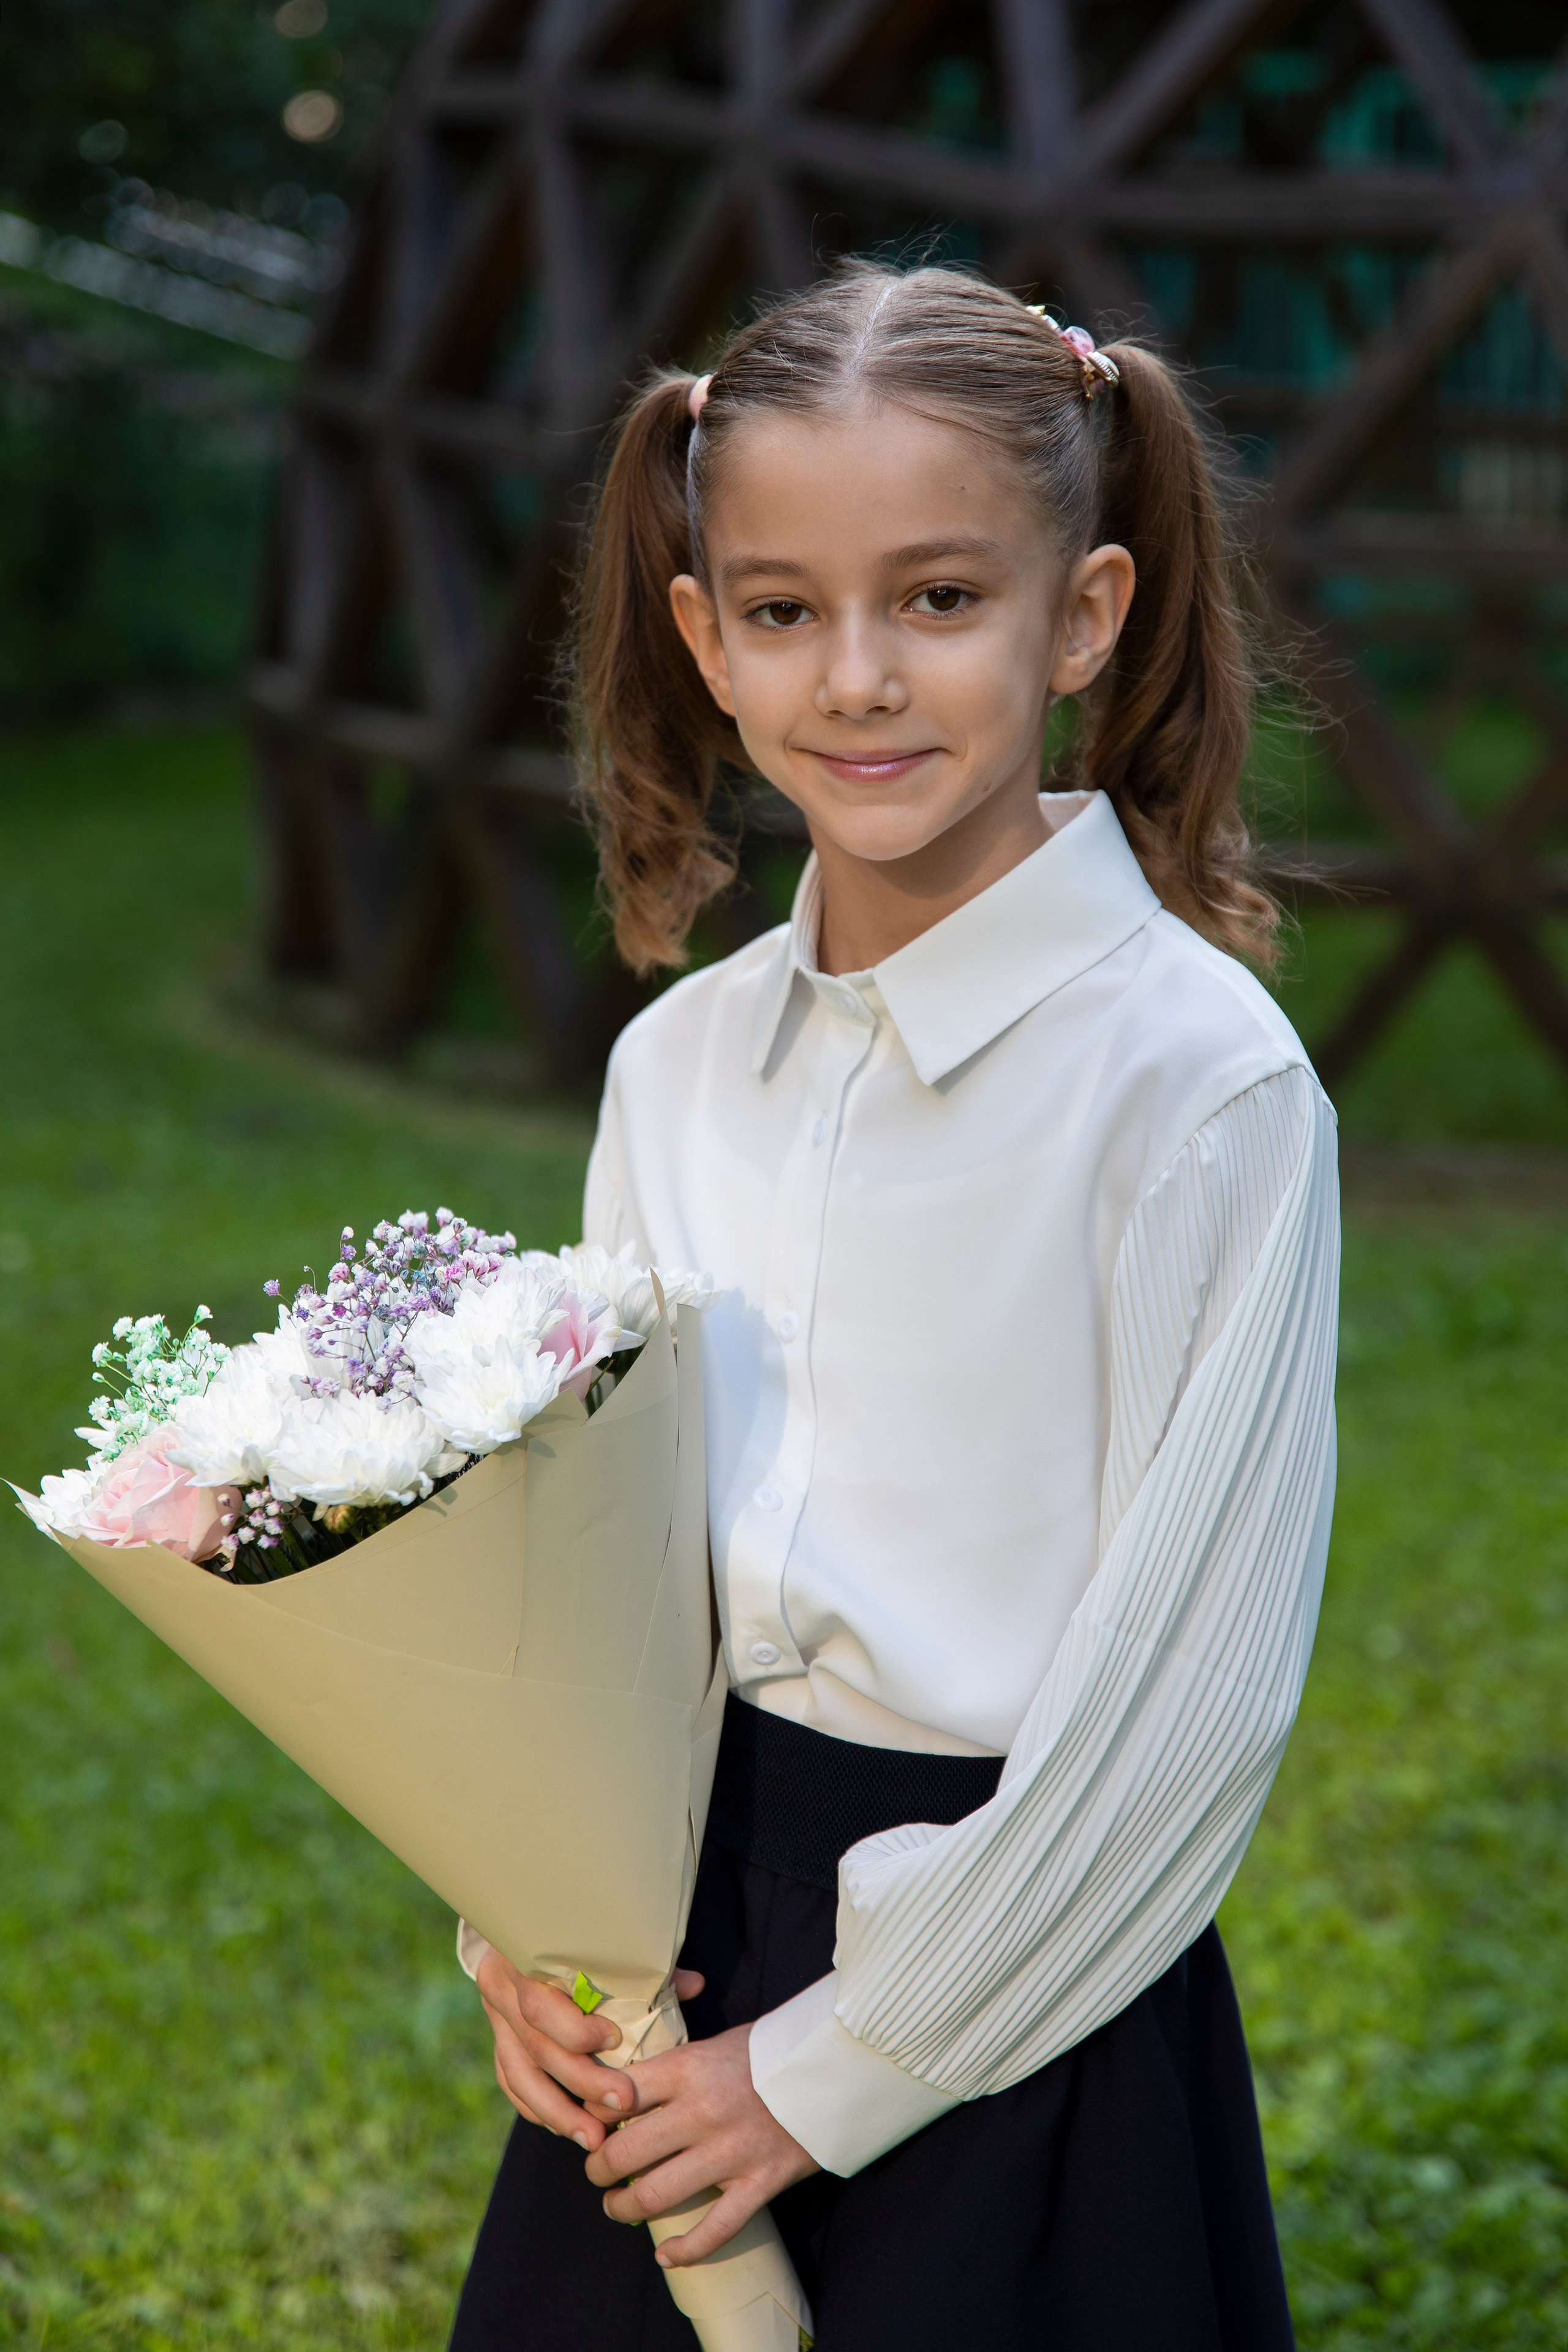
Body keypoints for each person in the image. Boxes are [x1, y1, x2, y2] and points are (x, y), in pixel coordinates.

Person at [449, 260, 1338, 2351]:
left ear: (1084, 616)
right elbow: (604, 1562)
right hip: (663, 1983)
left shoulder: (1196, 1087)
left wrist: (833, 2068)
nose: (856, 678)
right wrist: (524, 1926)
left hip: (1016, 2002)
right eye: (782, 610)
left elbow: (1186, 1708)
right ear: (704, 638)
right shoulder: (677, 1067)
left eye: (939, 598)